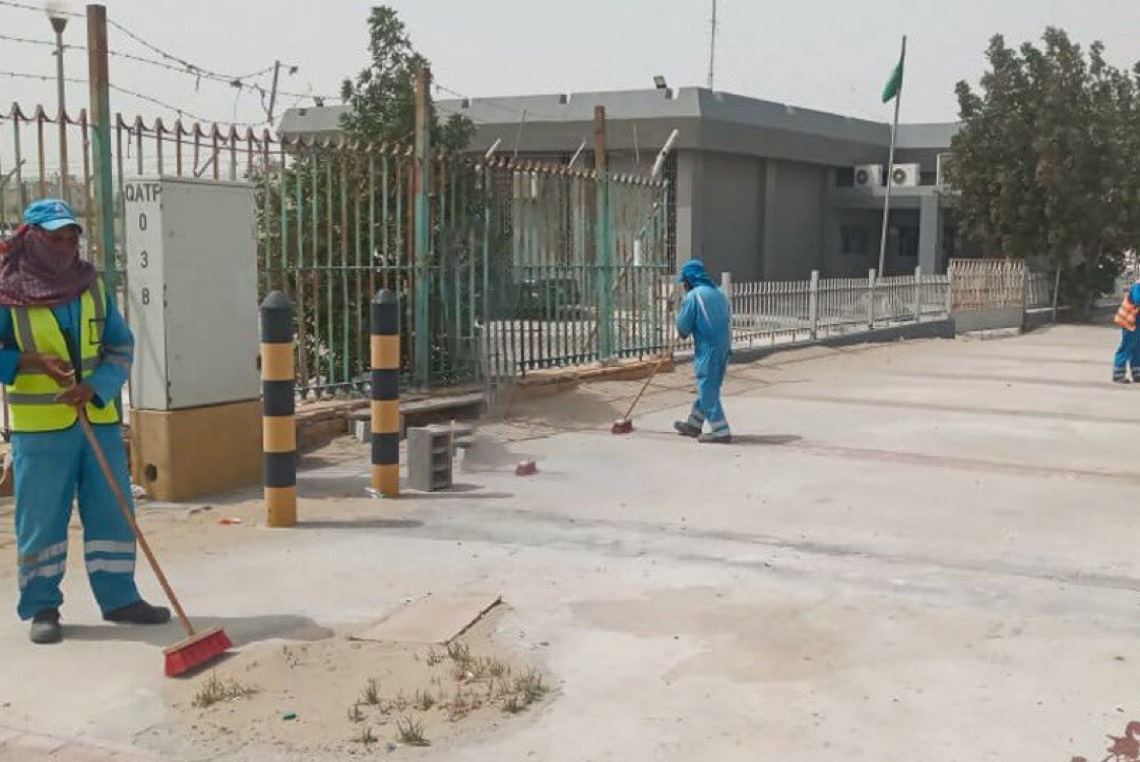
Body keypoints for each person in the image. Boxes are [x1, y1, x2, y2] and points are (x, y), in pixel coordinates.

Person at [0, 199, 169, 644]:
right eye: (54, 238)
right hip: (41, 431)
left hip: (98, 420)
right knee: (41, 521)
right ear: (31, 240)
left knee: (113, 511)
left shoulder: (91, 287)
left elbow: (120, 346)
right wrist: (30, 361)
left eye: (71, 238)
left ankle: (120, 598)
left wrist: (96, 386)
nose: (64, 247)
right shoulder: (8, 294)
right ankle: (42, 606)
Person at [673, 258, 733, 444]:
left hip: (708, 347)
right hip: (724, 347)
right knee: (710, 386)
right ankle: (694, 423)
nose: (684, 285)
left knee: (706, 387)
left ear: (689, 280)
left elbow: (683, 327)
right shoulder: (719, 293)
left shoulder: (694, 296)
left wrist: (679, 323)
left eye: (684, 282)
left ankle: (721, 431)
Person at [1113, 279, 1140, 384]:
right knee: (1127, 346)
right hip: (1130, 321)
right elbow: (1138, 300)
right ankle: (1118, 373)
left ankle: (1137, 372)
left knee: (1137, 347)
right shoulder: (1138, 286)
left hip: (1136, 321)